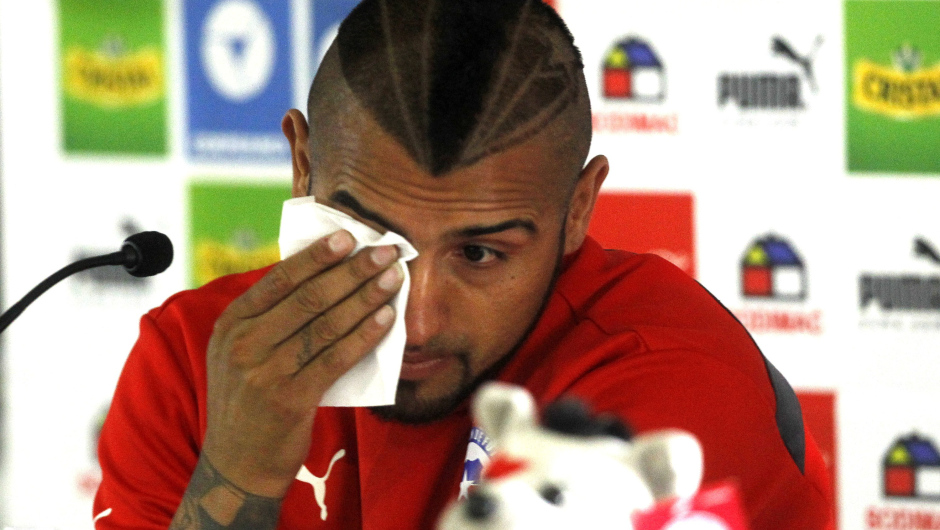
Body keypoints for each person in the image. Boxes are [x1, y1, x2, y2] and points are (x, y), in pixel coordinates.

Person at [94, 0, 833, 528]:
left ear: (578, 209)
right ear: (302, 163)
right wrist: (242, 470)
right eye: (373, 239)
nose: (416, 316)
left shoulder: (662, 380)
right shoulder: (196, 358)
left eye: (480, 254)